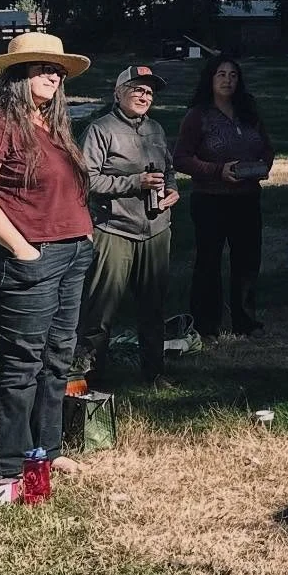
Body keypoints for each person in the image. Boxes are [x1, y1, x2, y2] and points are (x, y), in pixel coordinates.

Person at [0, 30, 95, 501]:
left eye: (57, 70)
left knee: (57, 360)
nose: (53, 77)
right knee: (21, 366)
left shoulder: (51, 123)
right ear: (18, 74)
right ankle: (8, 474)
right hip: (28, 260)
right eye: (42, 68)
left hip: (71, 252)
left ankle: (46, 452)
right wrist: (22, 249)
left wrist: (82, 234)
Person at [73, 64, 179, 386]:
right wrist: (134, 182)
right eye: (137, 89)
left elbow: (168, 169)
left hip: (156, 228)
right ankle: (91, 378)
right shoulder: (99, 130)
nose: (144, 96)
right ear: (118, 93)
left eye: (149, 92)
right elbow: (86, 181)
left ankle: (155, 373)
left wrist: (172, 190)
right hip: (114, 228)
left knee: (153, 308)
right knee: (101, 309)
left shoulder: (156, 129)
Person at [173, 56, 273, 338]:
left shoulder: (249, 113)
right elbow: (181, 158)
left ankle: (245, 320)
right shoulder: (198, 116)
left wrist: (261, 167)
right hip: (210, 199)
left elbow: (266, 148)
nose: (227, 80)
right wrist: (218, 170)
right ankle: (206, 324)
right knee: (209, 261)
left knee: (247, 260)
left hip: (247, 197)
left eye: (233, 75)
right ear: (210, 79)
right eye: (221, 74)